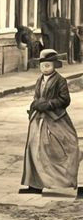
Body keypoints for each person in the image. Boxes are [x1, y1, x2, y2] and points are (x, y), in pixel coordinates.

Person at [20, 48, 81, 195]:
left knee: (64, 148)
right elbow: (36, 96)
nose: (45, 68)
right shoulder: (39, 80)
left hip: (56, 119)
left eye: (48, 65)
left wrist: (48, 104)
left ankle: (63, 182)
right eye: (42, 66)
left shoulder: (60, 80)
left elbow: (65, 100)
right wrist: (35, 105)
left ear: (54, 66)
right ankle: (35, 183)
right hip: (38, 118)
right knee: (34, 149)